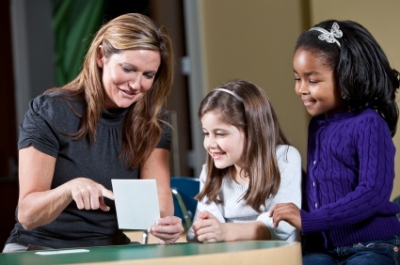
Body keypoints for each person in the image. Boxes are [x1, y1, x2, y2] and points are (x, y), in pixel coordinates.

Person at [2, 13, 184, 252]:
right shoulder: (50, 111)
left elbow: (159, 207)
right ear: (100, 56)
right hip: (40, 247)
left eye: (148, 75)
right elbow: (27, 214)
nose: (136, 85)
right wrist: (70, 188)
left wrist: (165, 226)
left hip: (111, 250)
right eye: (128, 69)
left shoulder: (153, 122)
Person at [270, 20, 400, 264]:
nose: (301, 90)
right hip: (326, 248)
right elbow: (319, 185)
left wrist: (310, 220)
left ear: (348, 76)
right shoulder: (318, 125)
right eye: (297, 78)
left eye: (313, 80)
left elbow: (373, 193)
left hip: (373, 245)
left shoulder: (370, 123)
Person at [186, 79, 302, 243]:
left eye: (220, 134)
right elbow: (206, 230)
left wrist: (224, 231)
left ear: (252, 131)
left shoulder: (285, 158)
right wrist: (203, 230)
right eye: (206, 133)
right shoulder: (209, 171)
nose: (209, 144)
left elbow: (283, 226)